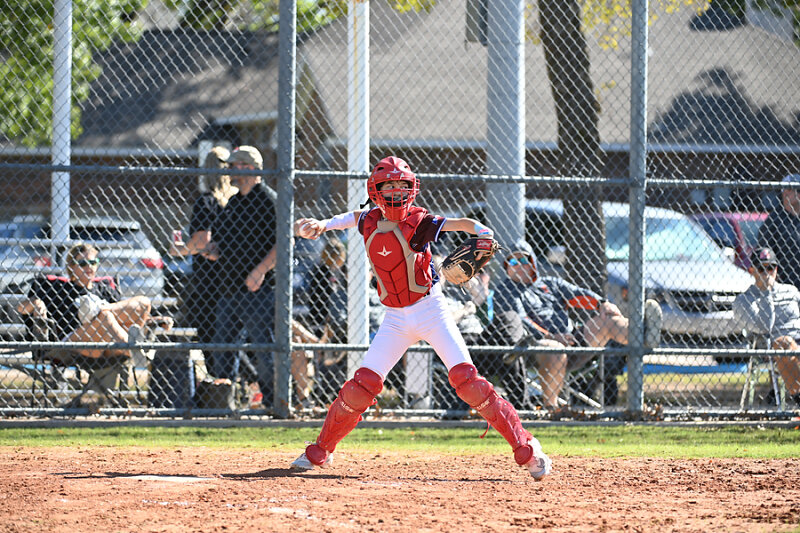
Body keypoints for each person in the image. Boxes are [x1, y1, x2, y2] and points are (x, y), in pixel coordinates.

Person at [289, 155, 552, 480]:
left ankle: (527, 446)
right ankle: (321, 450)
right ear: (375, 190)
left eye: (402, 186)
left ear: (412, 189)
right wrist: (322, 224)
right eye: (389, 186)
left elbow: (464, 224)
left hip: (430, 311)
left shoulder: (419, 221)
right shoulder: (369, 220)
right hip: (395, 319)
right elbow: (352, 217)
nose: (396, 192)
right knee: (362, 385)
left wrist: (483, 231)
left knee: (466, 381)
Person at [492, 241, 662, 410]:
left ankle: (642, 334)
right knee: (555, 349)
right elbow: (521, 321)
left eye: (524, 260)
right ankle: (551, 410)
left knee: (607, 320)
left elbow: (576, 293)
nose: (519, 265)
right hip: (533, 348)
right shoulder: (505, 290)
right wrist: (551, 337)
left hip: (572, 342)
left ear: (533, 263)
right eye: (513, 261)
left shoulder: (549, 284)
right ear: (507, 267)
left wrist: (602, 303)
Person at [201, 145, 277, 410]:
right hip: (229, 288)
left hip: (259, 290)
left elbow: (283, 243)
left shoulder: (268, 200)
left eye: (234, 166)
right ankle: (225, 403)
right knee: (223, 349)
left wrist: (260, 270)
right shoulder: (234, 202)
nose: (230, 171)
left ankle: (273, 403)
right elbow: (223, 240)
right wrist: (213, 250)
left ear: (250, 168)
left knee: (264, 350)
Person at [16, 242, 173, 359]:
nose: (89, 267)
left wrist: (153, 321)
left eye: (93, 262)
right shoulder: (59, 288)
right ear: (71, 267)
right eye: (83, 263)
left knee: (144, 302)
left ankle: (96, 311)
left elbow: (126, 320)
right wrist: (36, 303)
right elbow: (20, 308)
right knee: (106, 317)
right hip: (74, 344)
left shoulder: (104, 288)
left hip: (109, 344)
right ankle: (135, 350)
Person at [169, 145, 237, 377]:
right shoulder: (236, 201)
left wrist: (180, 249)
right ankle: (235, 382)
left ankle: (218, 381)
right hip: (233, 277)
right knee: (231, 335)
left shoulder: (206, 200)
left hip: (209, 280)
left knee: (208, 331)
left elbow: (201, 241)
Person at [732, 247, 800, 406]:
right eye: (761, 269)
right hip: (772, 347)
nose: (767, 273)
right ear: (751, 271)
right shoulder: (744, 300)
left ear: (776, 269)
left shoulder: (790, 291)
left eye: (770, 267)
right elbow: (764, 327)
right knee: (785, 343)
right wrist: (765, 292)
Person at [757, 174, 800, 289]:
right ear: (784, 193)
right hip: (785, 287)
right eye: (795, 189)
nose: (798, 193)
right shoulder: (774, 221)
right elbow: (765, 254)